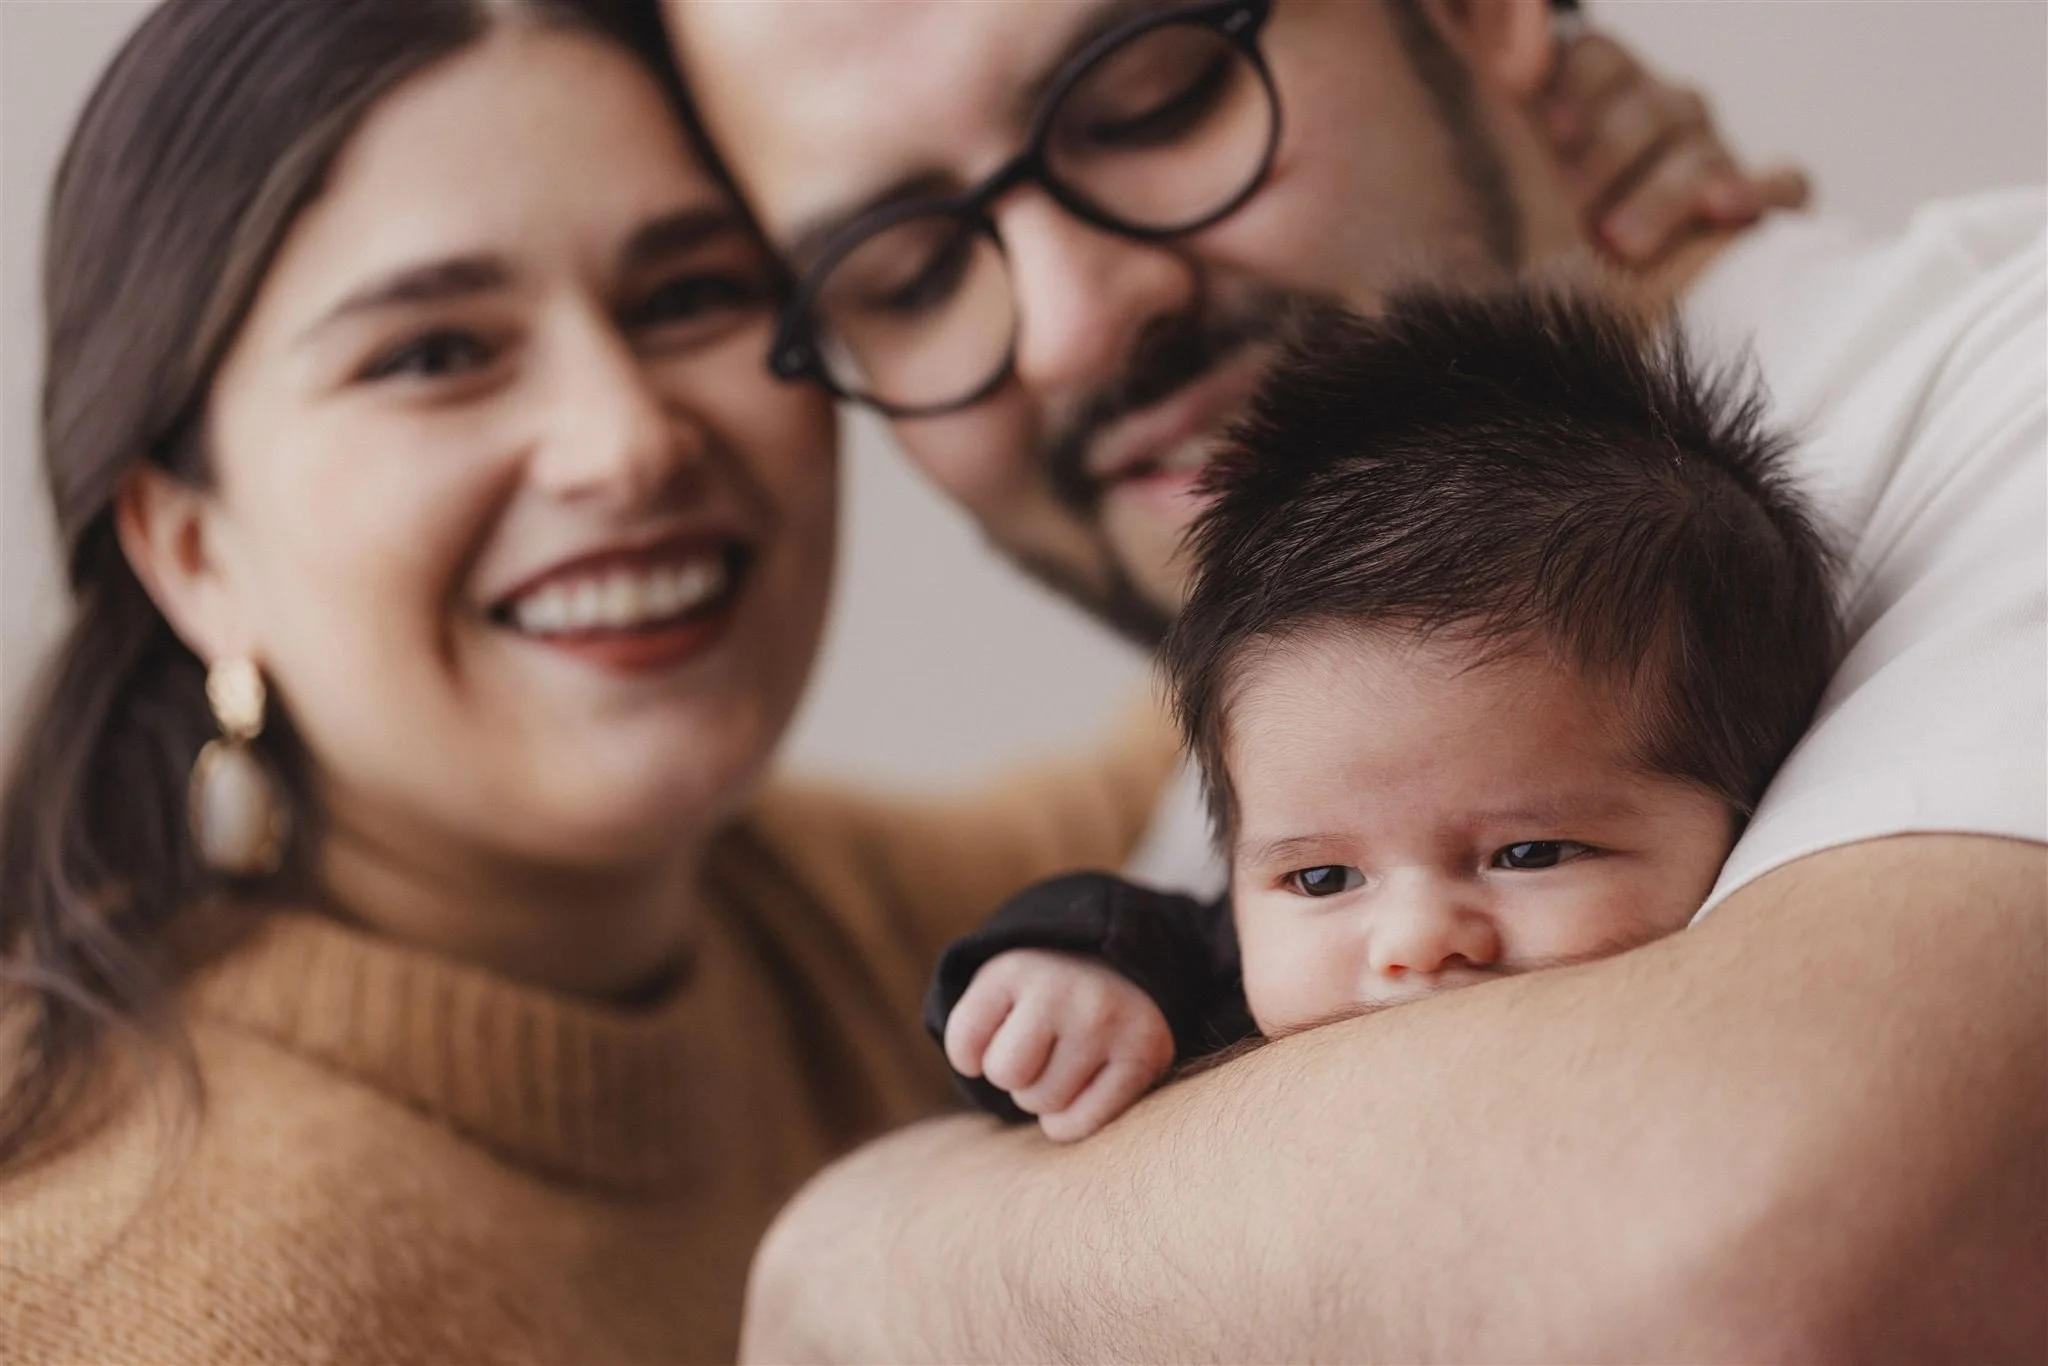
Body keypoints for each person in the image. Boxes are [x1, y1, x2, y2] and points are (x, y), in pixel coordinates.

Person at [657, 0, 2048, 1356]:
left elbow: (1768, 1253)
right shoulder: (1234, 797)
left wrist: (861, 1257)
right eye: (900, 277)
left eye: (1157, 94)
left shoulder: (2008, 383)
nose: (1068, 327)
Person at [0, 1, 1184, 1359]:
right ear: (192, 550)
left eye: (688, 297)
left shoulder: (810, 920)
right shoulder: (136, 1295)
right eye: (436, 353)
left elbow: (1173, 780)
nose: (624, 442)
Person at [927, 290, 1840, 1142]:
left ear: (1752, 812)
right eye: (1322, 880)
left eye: (1527, 854)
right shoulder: (1217, 986)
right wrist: (1075, 979)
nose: (1412, 941)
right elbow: (1149, 931)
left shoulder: (1775, 1016)